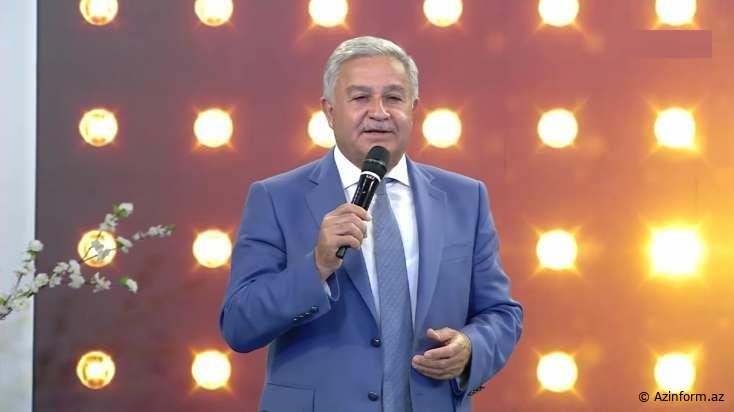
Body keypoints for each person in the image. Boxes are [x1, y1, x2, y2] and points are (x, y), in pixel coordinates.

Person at [220, 36, 523, 412]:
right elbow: (239, 325)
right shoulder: (277, 198)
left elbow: (502, 313)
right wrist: (316, 266)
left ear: (413, 109)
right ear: (330, 111)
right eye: (361, 97)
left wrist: (472, 348)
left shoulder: (465, 197)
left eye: (393, 98)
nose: (379, 112)